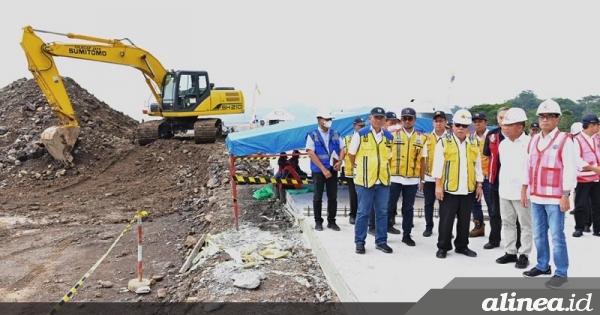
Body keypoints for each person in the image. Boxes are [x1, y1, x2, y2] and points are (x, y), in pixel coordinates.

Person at [521, 99, 577, 289]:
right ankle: (542, 265)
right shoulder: (534, 139)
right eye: (542, 116)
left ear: (557, 119)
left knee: (556, 236)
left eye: (550, 116)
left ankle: (561, 272)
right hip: (536, 195)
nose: (545, 120)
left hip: (555, 198)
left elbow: (570, 168)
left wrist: (566, 194)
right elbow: (528, 166)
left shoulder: (565, 140)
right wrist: (525, 189)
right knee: (538, 235)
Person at [433, 109, 483, 259]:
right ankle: (443, 246)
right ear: (452, 126)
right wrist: (438, 185)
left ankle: (462, 246)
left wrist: (479, 185)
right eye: (458, 125)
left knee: (464, 220)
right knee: (446, 220)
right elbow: (437, 165)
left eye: (465, 125)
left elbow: (478, 165)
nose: (461, 128)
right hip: (449, 188)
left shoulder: (474, 143)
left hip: (468, 189)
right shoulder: (444, 142)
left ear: (469, 128)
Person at [348, 107, 394, 254]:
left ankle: (381, 241)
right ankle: (359, 242)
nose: (379, 120)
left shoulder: (388, 137)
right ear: (370, 118)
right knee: (363, 212)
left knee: (382, 212)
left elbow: (389, 157)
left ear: (385, 120)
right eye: (376, 117)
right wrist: (361, 168)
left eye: (381, 118)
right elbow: (351, 155)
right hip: (365, 180)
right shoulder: (361, 135)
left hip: (383, 180)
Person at [495, 108, 533, 269]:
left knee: (525, 224)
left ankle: (524, 253)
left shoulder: (530, 143)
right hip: (505, 190)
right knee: (507, 222)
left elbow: (531, 169)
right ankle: (510, 251)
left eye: (509, 125)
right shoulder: (503, 144)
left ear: (520, 126)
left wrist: (525, 189)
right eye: (504, 125)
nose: (505, 128)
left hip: (522, 192)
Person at [386, 107, 426, 247]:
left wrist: (422, 180)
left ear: (415, 120)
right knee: (389, 207)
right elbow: (386, 157)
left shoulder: (421, 138)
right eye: (404, 118)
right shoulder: (392, 135)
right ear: (401, 120)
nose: (407, 121)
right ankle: (383, 233)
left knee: (408, 209)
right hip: (394, 178)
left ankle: (406, 235)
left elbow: (422, 160)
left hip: (412, 179)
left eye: (410, 118)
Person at [483, 107, 521, 250]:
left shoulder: (519, 137)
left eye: (507, 117)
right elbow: (487, 155)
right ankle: (494, 239)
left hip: (514, 182)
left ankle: (518, 243)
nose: (504, 121)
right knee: (494, 212)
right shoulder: (492, 135)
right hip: (496, 181)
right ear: (497, 120)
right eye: (501, 118)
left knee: (516, 215)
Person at [306, 108, 344, 231]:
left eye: (330, 119)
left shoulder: (336, 134)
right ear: (319, 120)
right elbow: (311, 153)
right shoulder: (312, 135)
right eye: (326, 119)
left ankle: (332, 221)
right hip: (318, 171)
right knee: (318, 197)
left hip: (333, 169)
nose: (328, 121)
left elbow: (343, 148)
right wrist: (323, 169)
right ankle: (318, 221)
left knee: (333, 197)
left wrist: (340, 161)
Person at [420, 110, 448, 237]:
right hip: (429, 177)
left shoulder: (450, 138)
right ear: (433, 123)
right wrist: (422, 179)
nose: (438, 123)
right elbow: (422, 159)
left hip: (445, 178)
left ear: (445, 122)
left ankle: (445, 228)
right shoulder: (426, 138)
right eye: (436, 121)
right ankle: (429, 227)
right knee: (428, 203)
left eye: (441, 120)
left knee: (445, 206)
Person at [572, 114, 600, 237]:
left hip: (597, 177)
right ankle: (579, 227)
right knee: (580, 204)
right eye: (597, 124)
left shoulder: (597, 138)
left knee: (597, 204)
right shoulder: (577, 140)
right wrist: (593, 168)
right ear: (591, 125)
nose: (599, 127)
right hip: (583, 177)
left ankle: (597, 229)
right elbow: (577, 160)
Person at [469, 113, 492, 238]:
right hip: (474, 176)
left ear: (485, 122)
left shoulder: (491, 137)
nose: (477, 124)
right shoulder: (469, 138)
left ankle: (495, 230)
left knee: (491, 203)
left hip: (488, 176)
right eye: (475, 121)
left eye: (480, 121)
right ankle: (478, 225)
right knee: (475, 202)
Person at [342, 117, 367, 224]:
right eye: (359, 126)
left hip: (364, 171)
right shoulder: (347, 138)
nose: (361, 128)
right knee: (353, 195)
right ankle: (353, 215)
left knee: (364, 195)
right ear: (354, 125)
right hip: (351, 171)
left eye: (363, 126)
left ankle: (363, 214)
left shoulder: (367, 138)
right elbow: (343, 153)